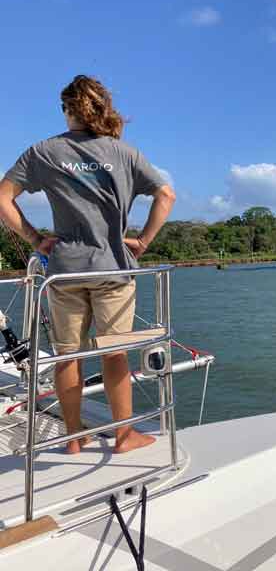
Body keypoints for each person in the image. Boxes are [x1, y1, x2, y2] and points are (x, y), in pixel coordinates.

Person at [0, 75, 176, 454]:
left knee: (68, 355)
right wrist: (143, 241)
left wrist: (35, 239)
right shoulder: (125, 154)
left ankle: (74, 439)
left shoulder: (44, 152)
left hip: (65, 272)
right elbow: (166, 195)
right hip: (113, 268)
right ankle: (124, 437)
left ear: (67, 109)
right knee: (114, 354)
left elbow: (2, 197)